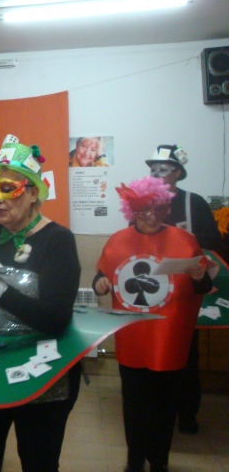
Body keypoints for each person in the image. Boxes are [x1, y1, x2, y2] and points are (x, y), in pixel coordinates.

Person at [0, 135, 82, 472]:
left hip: (41, 373)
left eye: (7, 189)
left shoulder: (58, 240)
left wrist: (2, 292)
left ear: (32, 192)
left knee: (38, 461)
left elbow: (56, 318)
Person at [93, 176, 211, 472]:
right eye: (143, 210)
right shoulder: (118, 240)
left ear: (166, 209)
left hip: (169, 338)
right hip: (132, 337)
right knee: (134, 405)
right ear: (131, 210)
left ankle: (159, 461)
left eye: (157, 209)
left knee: (165, 405)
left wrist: (200, 278)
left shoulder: (185, 241)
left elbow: (203, 287)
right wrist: (100, 284)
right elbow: (101, 275)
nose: (151, 216)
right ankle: (134, 461)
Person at [145, 144, 225, 435]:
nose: (157, 174)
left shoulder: (195, 202)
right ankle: (154, 410)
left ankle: (187, 412)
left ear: (178, 172)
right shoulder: (144, 203)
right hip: (153, 291)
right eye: (153, 169)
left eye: (164, 169)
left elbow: (213, 242)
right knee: (152, 350)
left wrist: (182, 239)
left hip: (185, 294)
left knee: (186, 354)